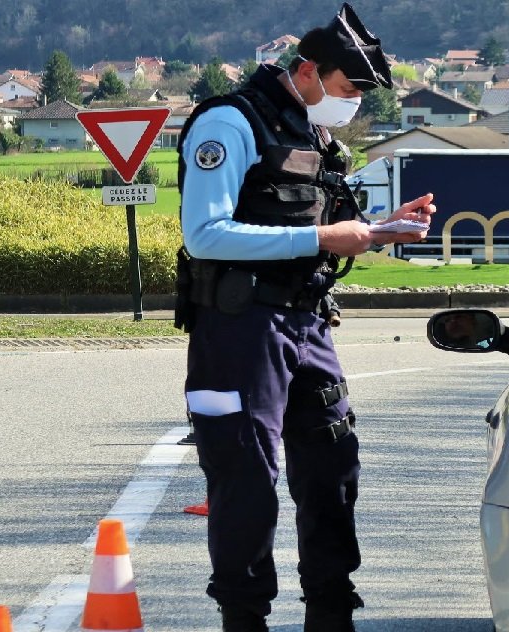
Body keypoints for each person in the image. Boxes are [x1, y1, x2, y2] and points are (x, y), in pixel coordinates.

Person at [173, 4, 436, 631]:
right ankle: (244, 616)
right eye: (346, 91)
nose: (349, 106)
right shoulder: (229, 123)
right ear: (310, 71)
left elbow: (318, 228)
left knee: (332, 464)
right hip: (240, 326)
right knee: (247, 478)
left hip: (306, 320)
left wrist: (377, 232)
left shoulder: (310, 133)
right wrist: (323, 239)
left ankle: (331, 609)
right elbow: (205, 235)